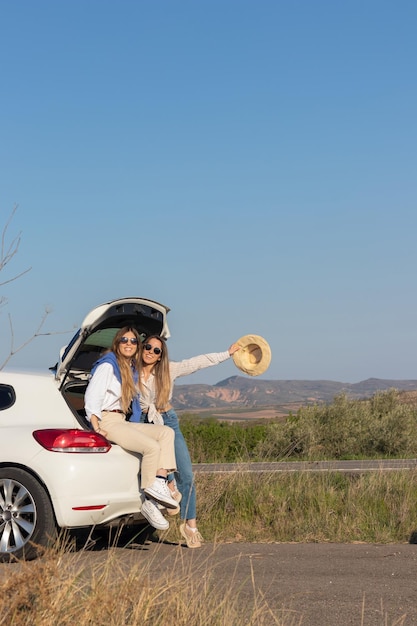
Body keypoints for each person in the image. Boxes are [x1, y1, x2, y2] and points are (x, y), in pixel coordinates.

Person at [136, 334, 240, 548]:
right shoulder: (130, 371)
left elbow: (197, 362)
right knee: (154, 459)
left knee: (187, 472)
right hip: (143, 422)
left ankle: (190, 525)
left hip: (167, 419)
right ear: (141, 348)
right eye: (148, 346)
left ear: (160, 356)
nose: (151, 352)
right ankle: (170, 483)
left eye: (157, 350)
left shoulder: (169, 370)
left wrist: (227, 354)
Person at [84, 326, 179, 532]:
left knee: (166, 432)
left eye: (133, 341)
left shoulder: (128, 368)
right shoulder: (108, 366)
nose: (129, 344)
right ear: (117, 343)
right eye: (124, 340)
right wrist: (96, 426)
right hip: (108, 420)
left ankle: (161, 482)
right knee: (152, 447)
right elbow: (92, 396)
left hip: (121, 419)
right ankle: (149, 501)